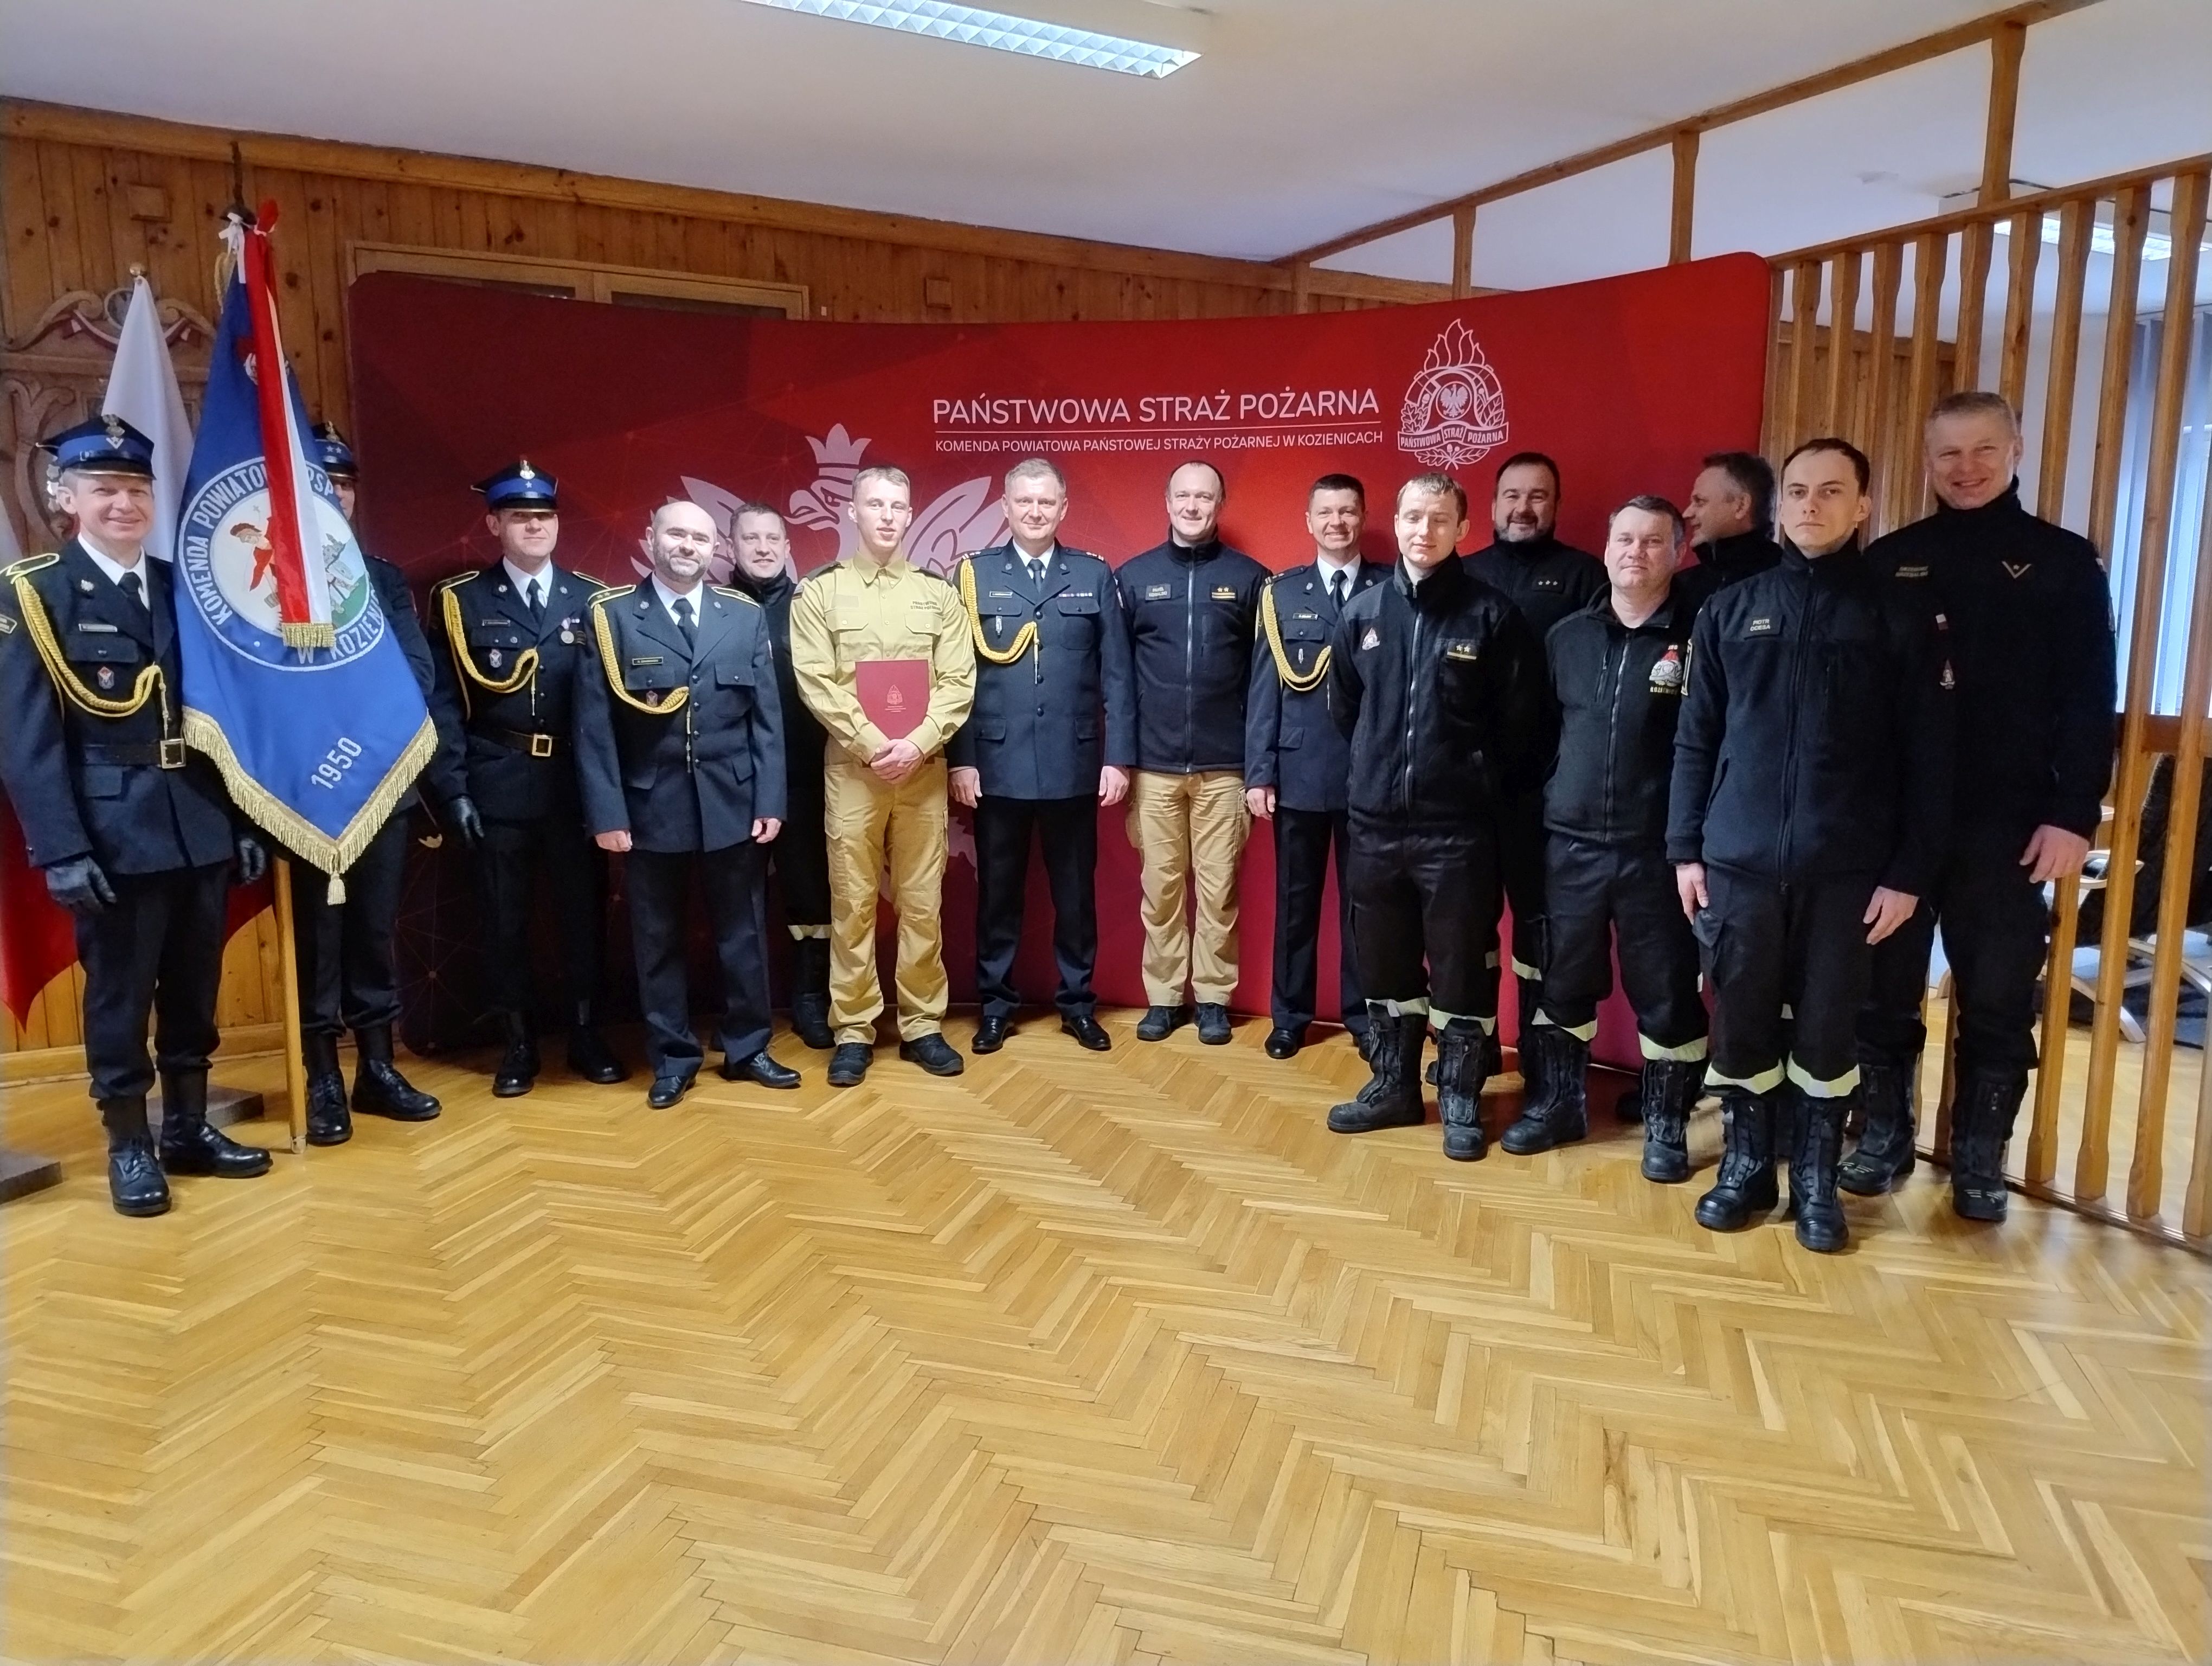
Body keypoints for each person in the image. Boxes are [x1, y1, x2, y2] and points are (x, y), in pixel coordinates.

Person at [1668, 438, 1952, 1254]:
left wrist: (1908, 873)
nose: (1810, 506)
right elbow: (1696, 739)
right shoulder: (1731, 609)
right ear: (1779, 505)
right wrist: (1686, 849)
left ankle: (1819, 1183)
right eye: (1797, 491)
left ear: (1863, 506)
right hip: (1738, 863)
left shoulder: (1898, 616)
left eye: (1831, 492)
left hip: (1849, 872)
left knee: (1829, 1034)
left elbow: (1931, 758)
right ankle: (1747, 1169)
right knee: (1741, 1028)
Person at [1853, 392, 2115, 1221]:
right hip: (1895, 827)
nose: (1965, 469)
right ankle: (1884, 1136)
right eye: (1949, 453)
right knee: (1882, 991)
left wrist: (2075, 813)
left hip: (2009, 826)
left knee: (1998, 1001)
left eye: (1983, 450)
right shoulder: (1889, 561)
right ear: (1927, 460)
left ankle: (1979, 1160)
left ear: (2015, 451)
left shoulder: (2063, 563)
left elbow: (2090, 699)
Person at [0, 417, 269, 1215]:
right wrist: (60, 849)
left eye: (137, 489)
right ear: (67, 499)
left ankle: (187, 1127)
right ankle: (128, 1144)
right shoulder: (33, 593)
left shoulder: (185, 586)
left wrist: (244, 822)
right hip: (111, 834)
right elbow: (25, 737)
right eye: (105, 489)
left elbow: (224, 716)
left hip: (199, 822)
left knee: (194, 988)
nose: (124, 503)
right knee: (119, 998)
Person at [1326, 473, 1548, 1159]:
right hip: (1375, 829)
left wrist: (1470, 782)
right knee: (1384, 967)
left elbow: (1522, 730)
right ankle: (1394, 1088)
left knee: (1462, 975)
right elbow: (1346, 711)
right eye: (1414, 517)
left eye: (1440, 519)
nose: (1425, 531)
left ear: (1463, 530)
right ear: (1396, 522)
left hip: (1458, 835)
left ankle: (1459, 1100)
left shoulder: (1492, 616)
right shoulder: (1362, 613)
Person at [1506, 496, 1707, 1180]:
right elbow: (1539, 742)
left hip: (1658, 853)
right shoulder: (1568, 637)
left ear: (1677, 552)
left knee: (1668, 992)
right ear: (1607, 546)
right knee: (1564, 983)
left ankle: (1666, 1125)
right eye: (1625, 539)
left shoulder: (1701, 640)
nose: (1635, 553)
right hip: (1570, 846)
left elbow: (1713, 749)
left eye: (1652, 542)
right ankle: (1560, 1107)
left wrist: (1689, 844)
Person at [575, 501, 795, 1107]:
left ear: (714, 549)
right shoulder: (613, 616)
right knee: (658, 940)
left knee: (744, 934)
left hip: (734, 802)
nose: (687, 546)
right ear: (650, 538)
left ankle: (748, 1048)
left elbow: (767, 720)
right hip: (651, 805)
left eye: (699, 538)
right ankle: (673, 1058)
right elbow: (594, 726)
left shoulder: (742, 615)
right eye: (676, 533)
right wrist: (608, 813)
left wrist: (770, 798)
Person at [285, 423, 466, 1147]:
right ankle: (322, 1076)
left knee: (373, 931)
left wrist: (357, 724)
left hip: (380, 782)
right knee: (317, 937)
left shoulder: (381, 576)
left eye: (345, 483)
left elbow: (415, 673)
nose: (335, 493)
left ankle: (378, 1068)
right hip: (304, 788)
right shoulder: (270, 580)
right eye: (321, 481)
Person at [427, 460, 626, 1097]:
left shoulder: (592, 598)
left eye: (544, 517)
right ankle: (517, 1044)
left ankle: (587, 1034)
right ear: (494, 525)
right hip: (499, 784)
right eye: (520, 517)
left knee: (583, 920)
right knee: (503, 922)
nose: (535, 527)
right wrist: (454, 789)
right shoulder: (461, 601)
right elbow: (444, 706)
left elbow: (609, 709)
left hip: (574, 788)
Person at [789, 464, 976, 1086]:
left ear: (911, 513)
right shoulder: (820, 593)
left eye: (898, 506)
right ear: (853, 511)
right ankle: (854, 1028)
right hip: (853, 770)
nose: (888, 516)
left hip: (923, 770)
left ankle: (922, 1025)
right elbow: (815, 679)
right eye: (876, 504)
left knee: (923, 904)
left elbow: (959, 680)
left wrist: (918, 743)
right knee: (853, 903)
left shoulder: (937, 594)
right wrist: (874, 746)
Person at [948, 457, 1133, 1053]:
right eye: (1024, 501)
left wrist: (1117, 758)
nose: (1035, 511)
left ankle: (1078, 1004)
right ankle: (996, 1006)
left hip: (1072, 765)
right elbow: (955, 676)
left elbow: (1118, 676)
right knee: (998, 895)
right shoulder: (973, 576)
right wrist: (962, 758)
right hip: (996, 765)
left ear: (1063, 508)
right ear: (1005, 507)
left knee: (1075, 897)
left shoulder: (1093, 574)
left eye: (1046, 502)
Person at [1466, 452, 1605, 1109]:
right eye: (1513, 495)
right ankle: (1475, 1047)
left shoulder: (1585, 577)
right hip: (1469, 791)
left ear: (1556, 504)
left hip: (1546, 791)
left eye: (1538, 496)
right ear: (1493, 505)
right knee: (1468, 925)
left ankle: (1535, 1051)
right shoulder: (1464, 574)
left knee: (1539, 929)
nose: (1524, 508)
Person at [1115, 460, 1270, 1044]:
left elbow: (1265, 682)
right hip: (1154, 768)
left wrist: (1259, 765)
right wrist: (1122, 758)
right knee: (1161, 890)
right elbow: (1117, 680)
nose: (1193, 505)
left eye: (1204, 496)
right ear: (1167, 501)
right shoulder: (1134, 578)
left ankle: (1212, 998)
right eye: (1183, 495)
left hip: (1225, 768)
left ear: (1219, 504)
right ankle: (1163, 998)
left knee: (1219, 889)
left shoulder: (1252, 580)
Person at [1245, 473, 1387, 1059]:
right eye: (1326, 512)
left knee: (1367, 907)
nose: (1337, 522)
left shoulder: (1390, 588)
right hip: (1299, 774)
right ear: (1309, 522)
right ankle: (1290, 1017)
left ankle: (1364, 1017)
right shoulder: (1281, 594)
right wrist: (1259, 771)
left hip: (1370, 776)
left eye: (1347, 511)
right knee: (1295, 905)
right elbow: (1264, 689)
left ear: (1363, 517)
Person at [730, 503, 834, 1050]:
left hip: (804, 776)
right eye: (751, 539)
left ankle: (812, 999)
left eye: (773, 539)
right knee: (737, 901)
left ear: (789, 548)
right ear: (732, 546)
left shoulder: (811, 608)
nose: (763, 548)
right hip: (733, 781)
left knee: (812, 894)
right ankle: (741, 1013)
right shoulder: (713, 607)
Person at [1675, 451, 1781, 617]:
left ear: (1741, 506)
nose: (1687, 514)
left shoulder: (1787, 581)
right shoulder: (1680, 587)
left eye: (1700, 502)